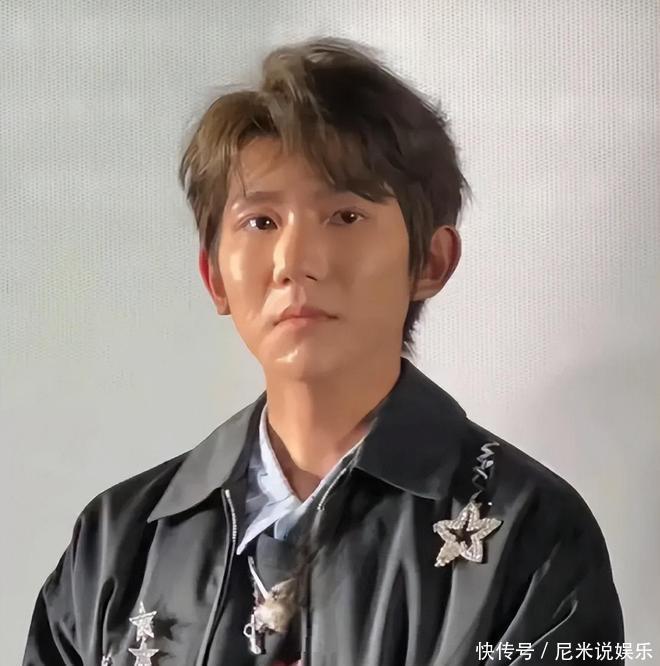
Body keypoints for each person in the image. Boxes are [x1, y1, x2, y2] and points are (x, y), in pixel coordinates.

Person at [23, 37, 623, 666]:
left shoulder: (531, 535)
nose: (294, 261)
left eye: (344, 216)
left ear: (431, 261)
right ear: (215, 277)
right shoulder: (114, 547)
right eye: (260, 222)